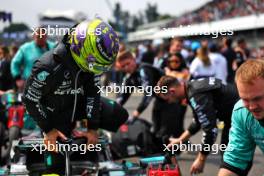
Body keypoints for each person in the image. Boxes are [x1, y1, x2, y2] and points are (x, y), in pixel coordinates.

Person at [23, 18, 128, 174]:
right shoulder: (48, 66)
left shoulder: (88, 63)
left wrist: (92, 128)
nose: (98, 68)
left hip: (77, 104)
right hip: (55, 112)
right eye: (96, 63)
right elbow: (29, 99)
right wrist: (48, 129)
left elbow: (93, 93)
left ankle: (84, 139)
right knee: (58, 169)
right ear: (82, 49)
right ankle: (53, 139)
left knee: (119, 114)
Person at [156, 76, 239, 175]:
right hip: (233, 117)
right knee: (228, 158)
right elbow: (197, 121)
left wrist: (201, 159)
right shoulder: (191, 87)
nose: (169, 102)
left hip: (240, 117)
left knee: (230, 161)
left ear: (172, 92)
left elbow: (210, 130)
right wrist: (180, 140)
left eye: (167, 99)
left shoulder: (196, 94)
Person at [218, 59, 264, 176]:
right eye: (245, 99)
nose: (252, 107)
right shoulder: (241, 112)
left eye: (258, 98)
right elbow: (234, 161)